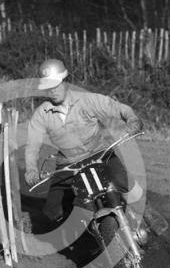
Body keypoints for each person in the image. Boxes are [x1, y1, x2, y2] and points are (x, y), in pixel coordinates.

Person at [25, 58, 145, 226]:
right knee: (52, 211)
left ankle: (148, 220)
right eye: (48, 88)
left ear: (65, 81)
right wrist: (31, 168)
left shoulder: (87, 100)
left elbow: (118, 108)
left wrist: (132, 119)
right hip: (68, 163)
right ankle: (80, 233)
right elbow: (32, 144)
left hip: (100, 154)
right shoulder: (41, 114)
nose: (52, 91)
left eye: (56, 85)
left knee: (130, 190)